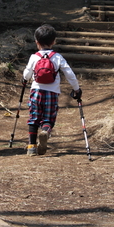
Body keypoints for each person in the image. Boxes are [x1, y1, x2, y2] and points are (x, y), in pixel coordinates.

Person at [22, 24, 82, 157]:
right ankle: (45, 131)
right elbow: (69, 73)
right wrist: (76, 89)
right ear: (54, 41)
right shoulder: (57, 57)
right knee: (48, 118)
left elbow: (26, 74)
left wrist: (25, 79)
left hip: (36, 91)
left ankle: (31, 147)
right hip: (52, 92)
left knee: (34, 118)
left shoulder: (34, 56)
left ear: (36, 42)